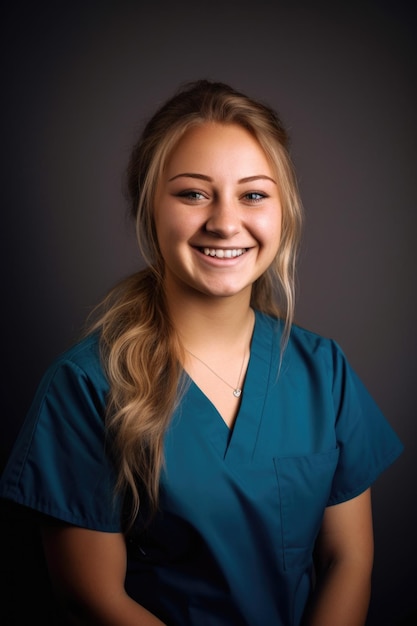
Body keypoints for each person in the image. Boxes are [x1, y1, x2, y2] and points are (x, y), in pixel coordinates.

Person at [0, 79, 404, 626]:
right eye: (193, 193)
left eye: (253, 194)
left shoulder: (322, 372)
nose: (224, 221)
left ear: (283, 212)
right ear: (149, 205)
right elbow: (93, 597)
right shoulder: (86, 386)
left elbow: (348, 558)